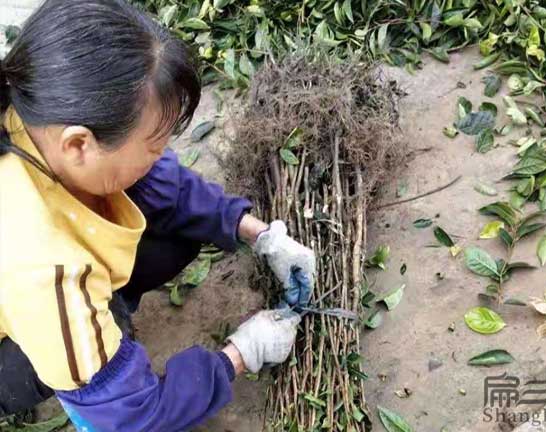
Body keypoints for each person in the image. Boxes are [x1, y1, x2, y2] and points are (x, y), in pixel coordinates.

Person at [0, 1, 316, 431]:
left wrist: (255, 231)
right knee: (100, 334)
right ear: (78, 145)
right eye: (153, 146)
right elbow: (136, 421)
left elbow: (153, 180)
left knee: (173, 230)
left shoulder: (33, 104)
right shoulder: (50, 274)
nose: (161, 155)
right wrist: (240, 354)